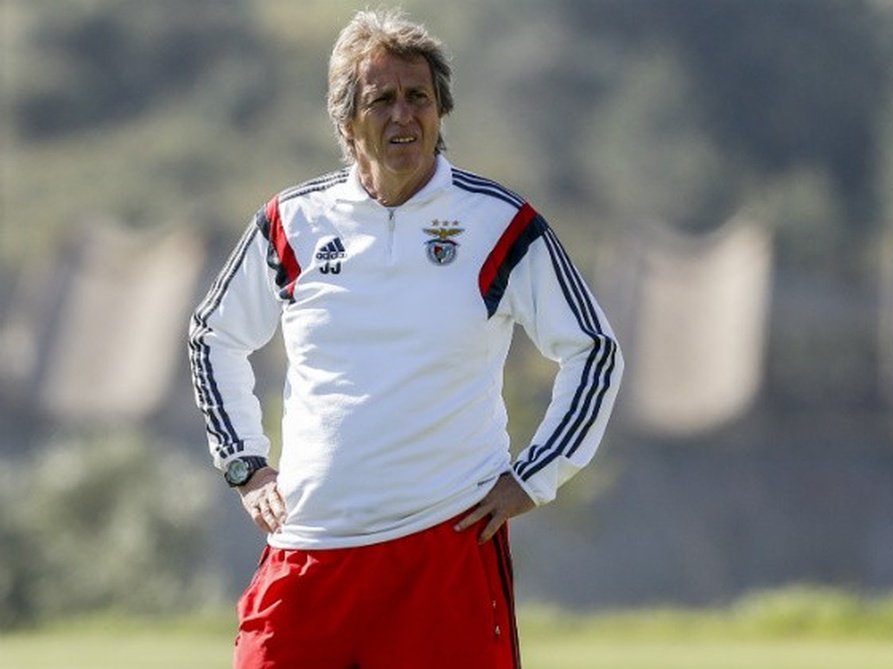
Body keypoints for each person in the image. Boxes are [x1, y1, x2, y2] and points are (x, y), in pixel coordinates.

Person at [188, 7, 622, 668]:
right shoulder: (291, 222)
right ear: (345, 121)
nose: (403, 116)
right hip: (310, 545)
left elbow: (594, 349)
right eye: (381, 99)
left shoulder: (497, 223)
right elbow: (212, 335)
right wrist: (246, 466)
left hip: (443, 549)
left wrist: (535, 476)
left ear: (441, 111)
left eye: (418, 97)